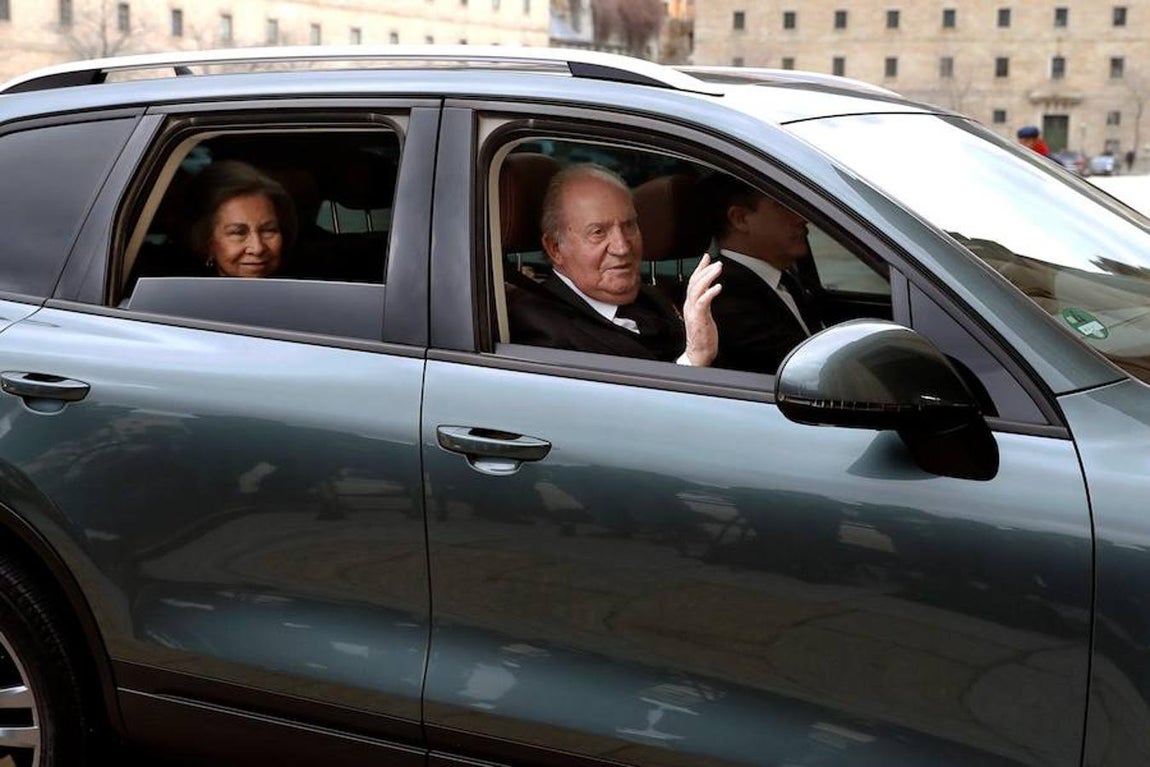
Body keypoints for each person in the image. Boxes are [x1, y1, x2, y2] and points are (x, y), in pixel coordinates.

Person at [508, 163, 722, 366]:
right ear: (555, 248)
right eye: (598, 233)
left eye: (629, 226)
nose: (622, 247)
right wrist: (693, 360)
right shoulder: (539, 327)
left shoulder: (654, 297)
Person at [701, 174, 823, 375]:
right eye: (783, 206)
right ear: (740, 219)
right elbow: (807, 372)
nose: (802, 218)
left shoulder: (783, 279)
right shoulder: (724, 296)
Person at [184, 160, 298, 278]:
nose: (257, 248)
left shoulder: (306, 292)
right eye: (238, 233)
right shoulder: (180, 293)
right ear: (207, 244)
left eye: (268, 230)